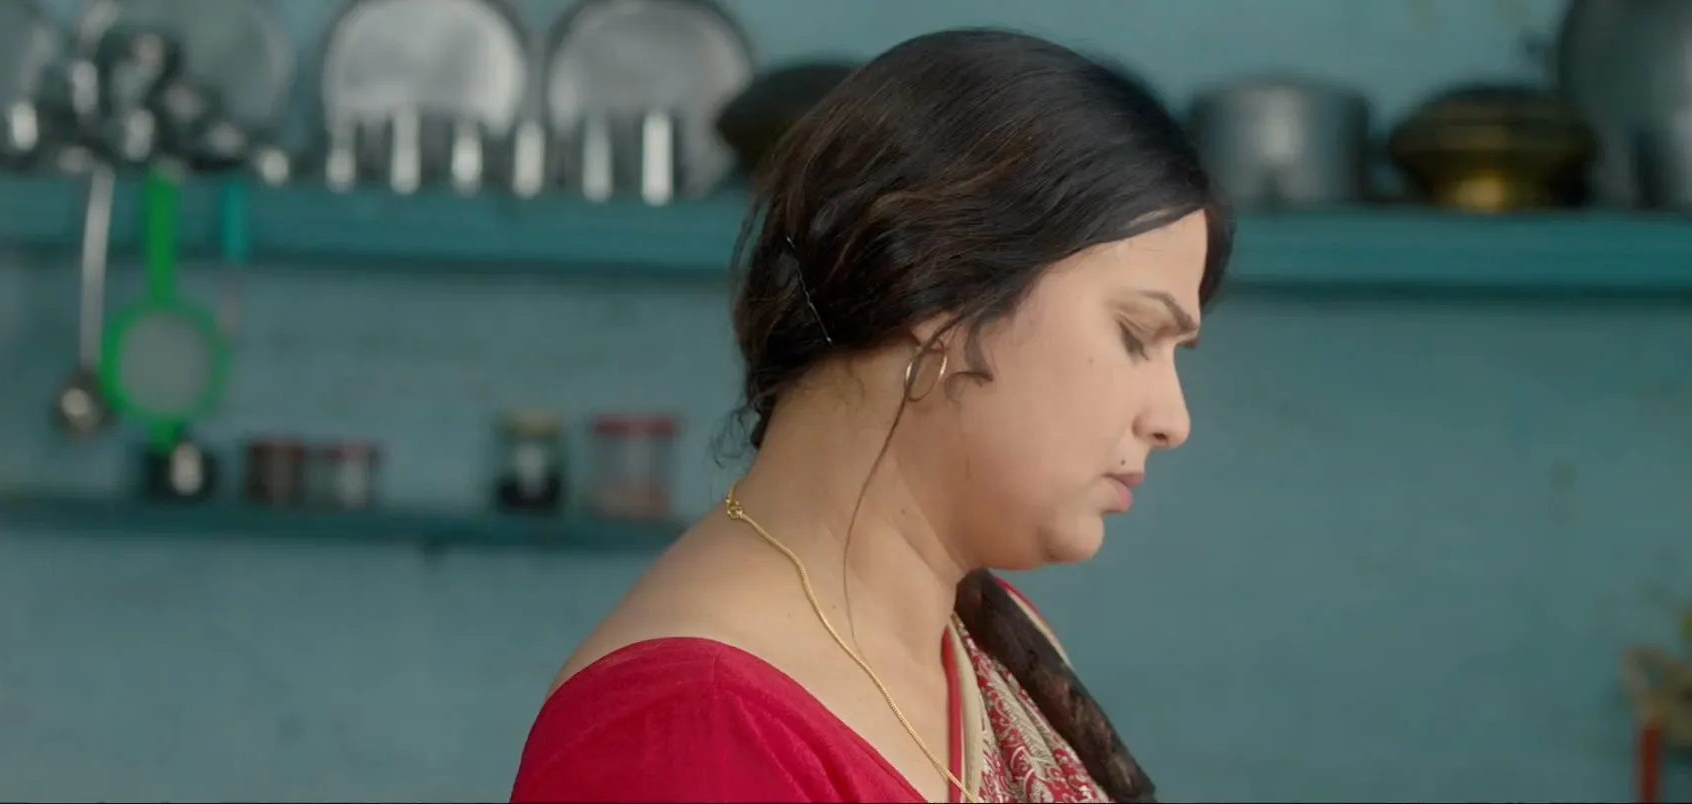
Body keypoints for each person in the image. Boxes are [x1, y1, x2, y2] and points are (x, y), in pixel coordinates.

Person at [510, 27, 1231, 804]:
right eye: (1135, 335)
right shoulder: (687, 736)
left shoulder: (995, 641)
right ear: (943, 289)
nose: (1172, 420)